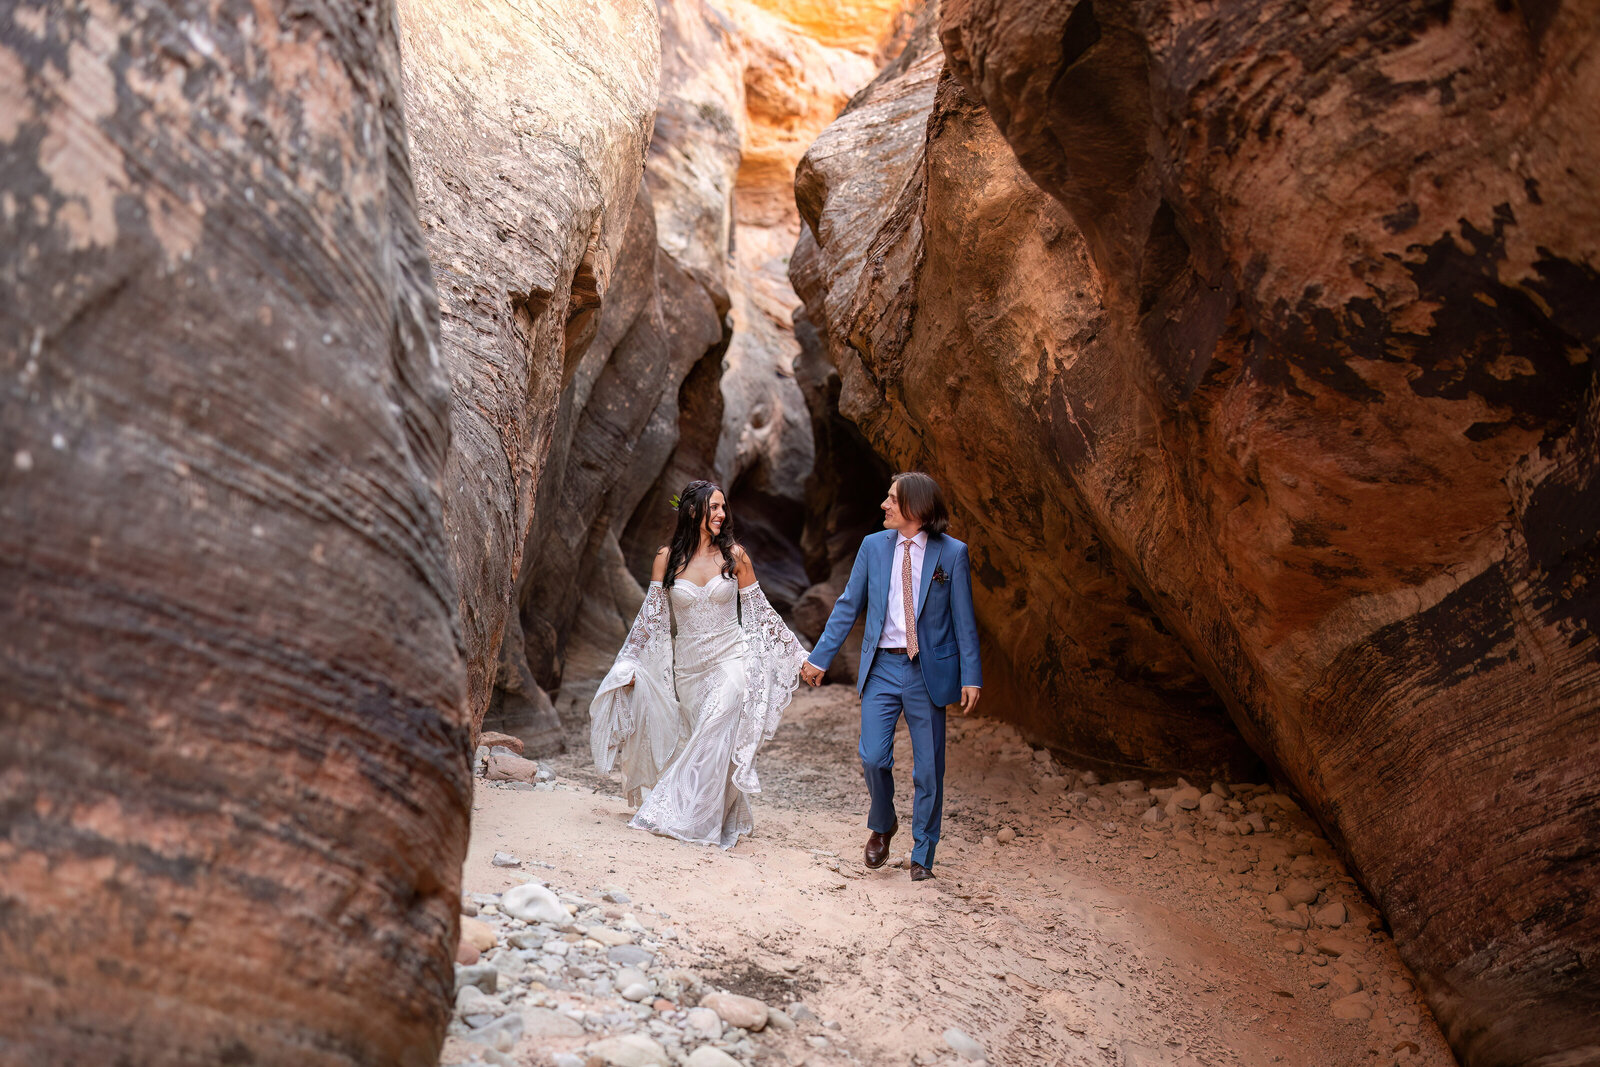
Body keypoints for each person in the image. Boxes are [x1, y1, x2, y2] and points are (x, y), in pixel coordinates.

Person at [590, 480, 808, 848]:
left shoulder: (735, 556)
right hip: (689, 672)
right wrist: (628, 661)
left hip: (731, 660)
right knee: (708, 740)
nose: (723, 514)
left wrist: (799, 656)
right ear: (693, 511)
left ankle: (686, 817)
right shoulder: (667, 558)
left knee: (718, 720)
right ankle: (717, 813)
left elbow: (761, 613)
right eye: (715, 507)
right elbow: (651, 617)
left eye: (724, 507)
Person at [799, 472, 981, 881]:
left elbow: (964, 620)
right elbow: (848, 605)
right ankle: (883, 824)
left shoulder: (951, 554)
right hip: (881, 666)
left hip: (927, 670)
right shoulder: (872, 548)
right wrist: (819, 657)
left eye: (893, 499)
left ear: (916, 508)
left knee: (928, 769)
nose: (884, 504)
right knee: (872, 756)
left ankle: (923, 855)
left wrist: (972, 676)